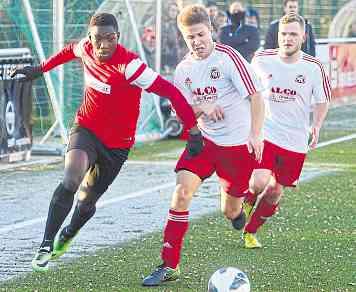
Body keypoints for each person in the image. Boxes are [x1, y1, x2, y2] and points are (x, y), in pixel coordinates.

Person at [10, 12, 204, 272]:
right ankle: (45, 245)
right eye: (98, 39)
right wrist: (39, 70)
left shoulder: (131, 66)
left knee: (86, 202)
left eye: (110, 38)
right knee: (70, 179)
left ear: (118, 37)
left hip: (117, 145)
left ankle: (68, 233)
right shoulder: (86, 48)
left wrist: (193, 130)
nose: (103, 45)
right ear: (90, 38)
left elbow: (171, 92)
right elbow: (69, 51)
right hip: (86, 129)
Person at [142, 4, 265, 286]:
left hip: (236, 147)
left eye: (200, 35)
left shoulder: (229, 58)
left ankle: (240, 208)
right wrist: (202, 106)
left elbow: (256, 96)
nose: (196, 42)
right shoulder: (184, 70)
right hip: (205, 143)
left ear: (210, 31)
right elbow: (180, 113)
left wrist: (256, 134)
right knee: (181, 193)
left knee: (230, 211)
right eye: (190, 37)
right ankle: (169, 264)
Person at [242, 13, 330, 249]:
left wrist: (317, 125)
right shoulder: (261, 59)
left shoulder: (314, 67)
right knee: (259, 182)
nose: (287, 38)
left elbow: (322, 100)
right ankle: (247, 201)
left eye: (293, 34)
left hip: (295, 140)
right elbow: (248, 90)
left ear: (303, 36)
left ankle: (250, 231)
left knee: (274, 192)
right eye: (283, 34)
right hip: (266, 132)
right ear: (277, 35)